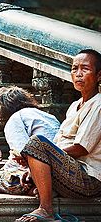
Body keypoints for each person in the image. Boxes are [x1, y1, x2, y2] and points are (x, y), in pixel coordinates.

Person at [14, 49, 101, 222]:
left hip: (89, 179)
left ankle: (46, 209)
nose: (78, 74)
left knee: (37, 143)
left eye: (85, 69)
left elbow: (81, 147)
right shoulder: (75, 105)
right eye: (74, 69)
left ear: (99, 76)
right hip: (68, 172)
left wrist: (43, 155)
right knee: (10, 177)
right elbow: (56, 145)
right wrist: (34, 162)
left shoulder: (98, 104)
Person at [0, 86, 60, 194]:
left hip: (38, 172)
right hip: (58, 170)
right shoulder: (49, 116)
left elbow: (21, 154)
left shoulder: (15, 118)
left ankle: (33, 188)